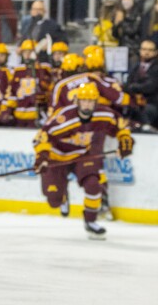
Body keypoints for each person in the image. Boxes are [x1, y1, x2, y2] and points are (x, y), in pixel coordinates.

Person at [33, 82, 133, 239]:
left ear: (96, 102)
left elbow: (121, 126)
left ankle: (91, 222)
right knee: (54, 200)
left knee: (94, 184)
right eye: (84, 100)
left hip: (81, 155)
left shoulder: (104, 114)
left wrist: (125, 139)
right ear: (77, 101)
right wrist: (42, 157)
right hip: (57, 156)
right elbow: (42, 137)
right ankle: (63, 193)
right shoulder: (63, 118)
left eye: (91, 101)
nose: (87, 105)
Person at [8, 40, 49, 128]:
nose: (27, 55)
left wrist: (44, 96)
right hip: (19, 113)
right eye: (24, 52)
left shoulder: (44, 68)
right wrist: (8, 109)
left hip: (37, 114)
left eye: (29, 52)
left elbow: (49, 88)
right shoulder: (17, 70)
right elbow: (12, 91)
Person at [125, 39, 158, 129]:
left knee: (144, 111)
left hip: (153, 103)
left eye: (150, 50)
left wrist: (133, 87)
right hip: (134, 102)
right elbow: (127, 85)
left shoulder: (156, 67)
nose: (146, 52)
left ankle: (146, 130)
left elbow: (150, 87)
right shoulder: (135, 66)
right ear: (140, 51)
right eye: (144, 49)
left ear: (155, 52)